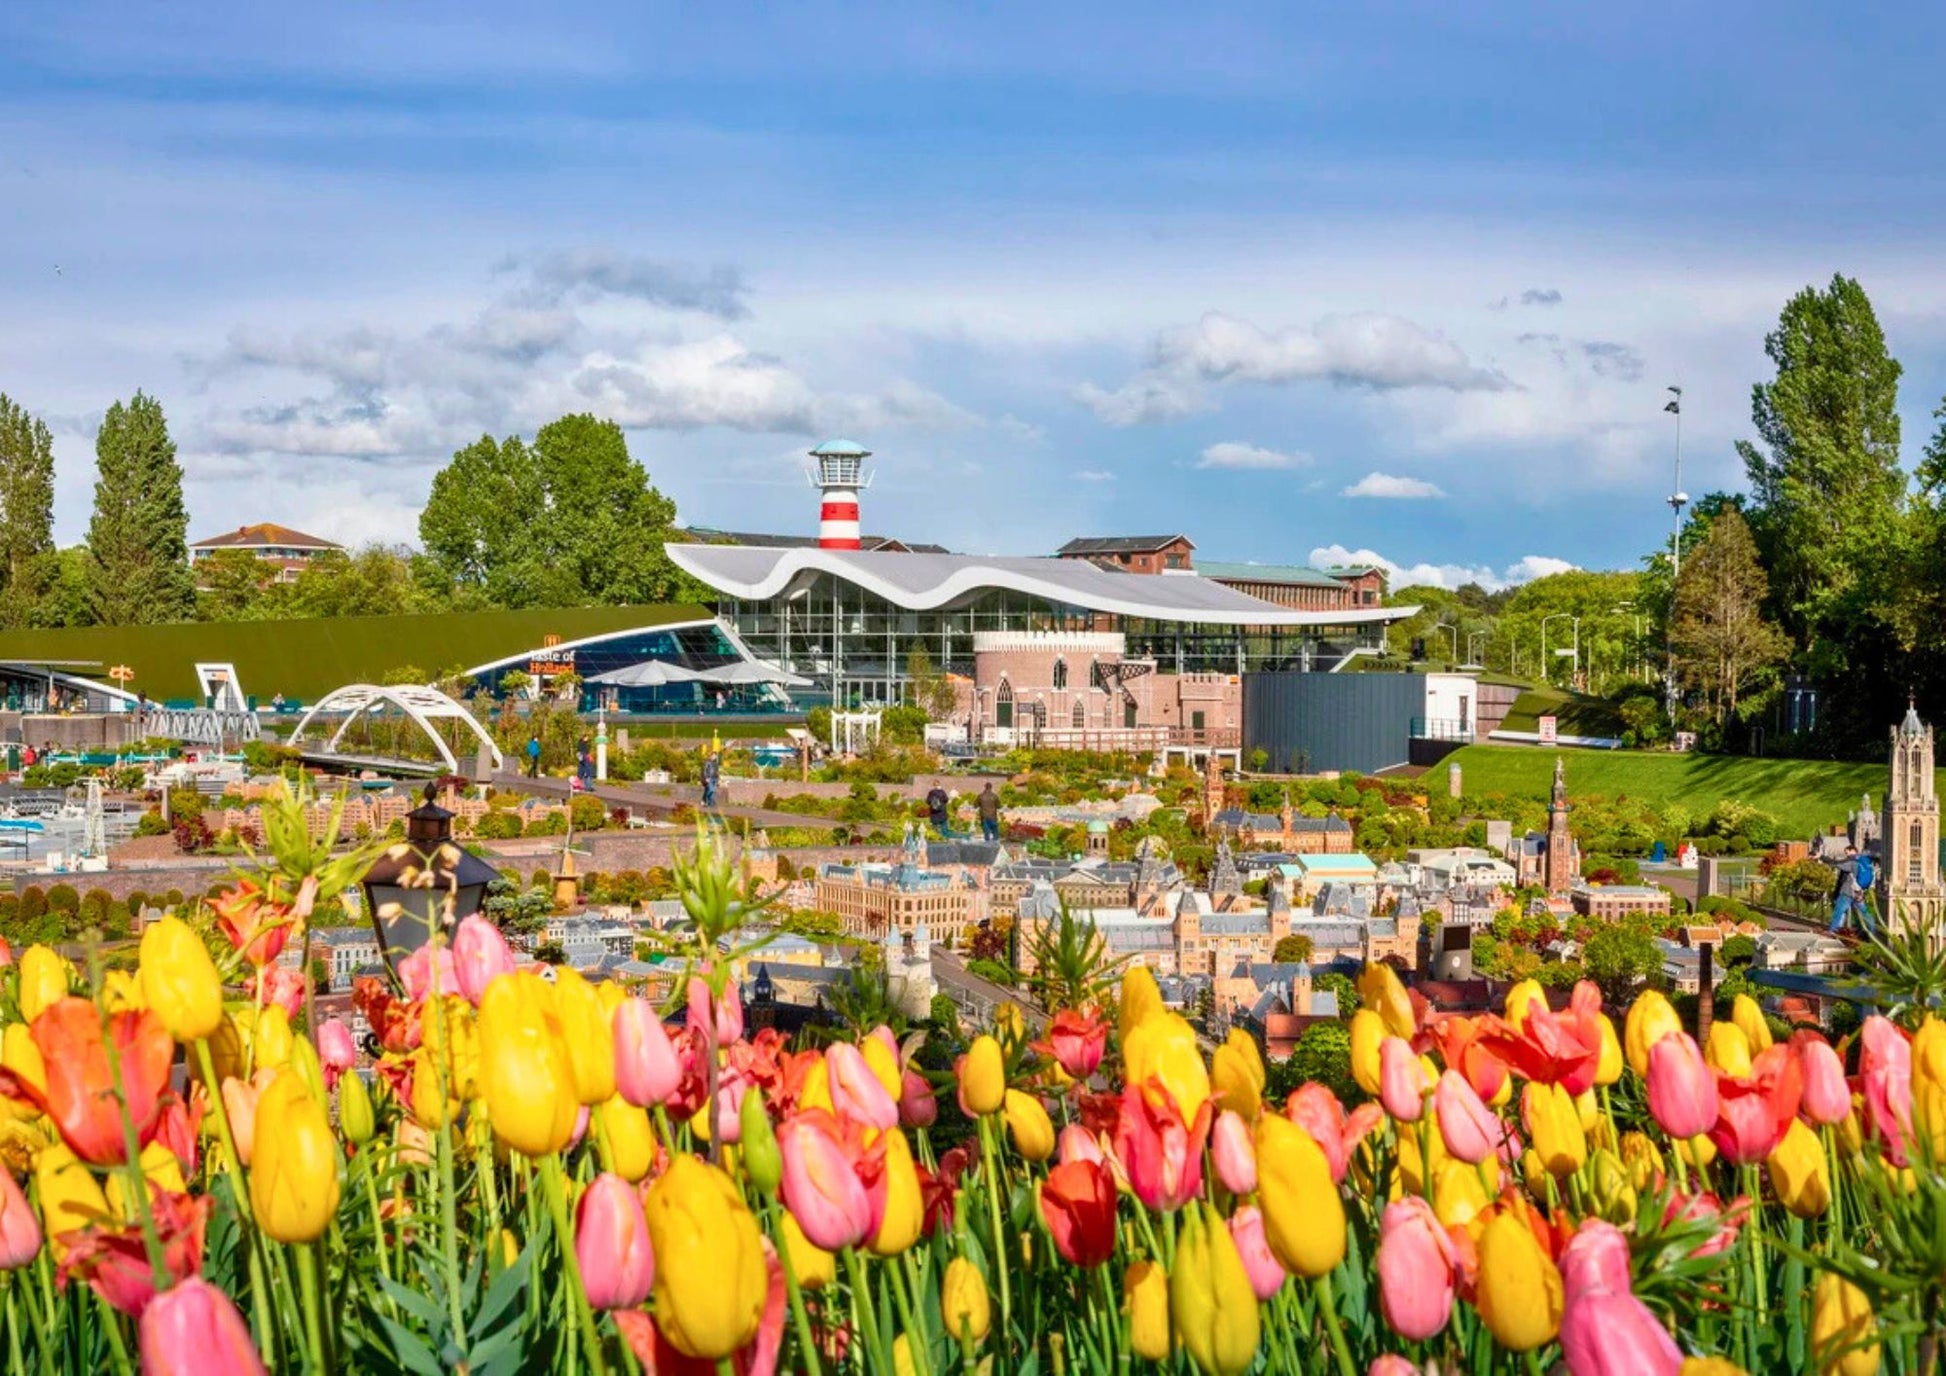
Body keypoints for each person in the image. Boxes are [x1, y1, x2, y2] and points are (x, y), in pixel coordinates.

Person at [1829, 844, 1872, 937]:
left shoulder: (1852, 862)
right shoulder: (1864, 861)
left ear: (1852, 850)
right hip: (1859, 892)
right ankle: (1871, 931)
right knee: (1863, 912)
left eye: (1847, 852)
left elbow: (1837, 865)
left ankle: (1833, 931)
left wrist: (1821, 857)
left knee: (1839, 911)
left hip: (1848, 892)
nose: (1846, 855)